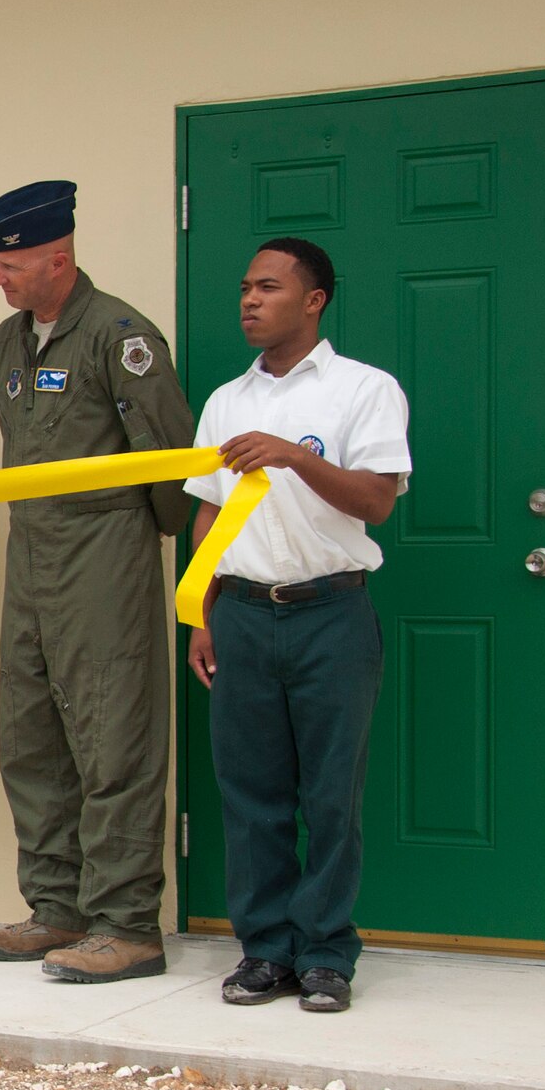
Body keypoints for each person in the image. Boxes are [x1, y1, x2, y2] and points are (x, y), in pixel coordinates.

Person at [0, 179, 196, 982]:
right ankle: (56, 907)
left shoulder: (120, 336)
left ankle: (128, 923)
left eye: (9, 265)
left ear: (57, 258)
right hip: (29, 560)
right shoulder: (6, 343)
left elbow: (170, 461)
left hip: (104, 557)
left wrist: (144, 539)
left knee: (114, 738)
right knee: (29, 736)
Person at [186, 238, 410, 1013]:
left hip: (331, 615)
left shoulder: (364, 391)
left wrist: (292, 457)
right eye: (245, 287)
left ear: (314, 300)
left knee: (330, 795)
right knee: (251, 794)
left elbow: (376, 501)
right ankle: (264, 951)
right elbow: (209, 513)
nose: (250, 300)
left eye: (269, 288)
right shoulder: (226, 400)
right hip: (243, 615)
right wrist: (200, 612)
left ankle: (324, 955)